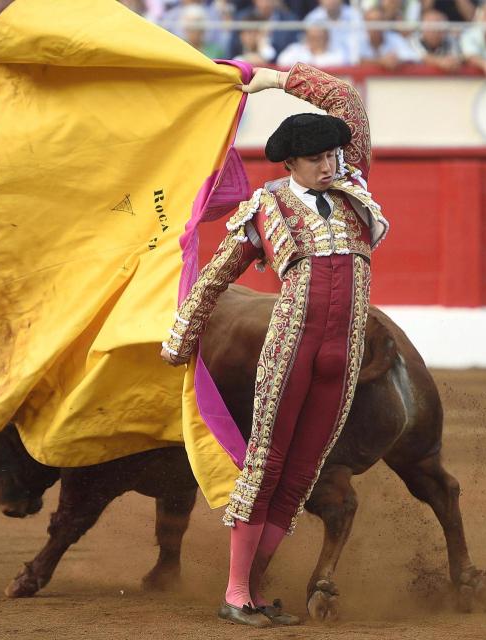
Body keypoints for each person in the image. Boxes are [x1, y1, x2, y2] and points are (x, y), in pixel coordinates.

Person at [161, 63, 388, 627]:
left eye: (332, 155)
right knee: (266, 465)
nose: (328, 165)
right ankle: (236, 592)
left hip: (342, 356)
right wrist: (182, 336)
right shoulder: (267, 208)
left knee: (301, 475)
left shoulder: (353, 186)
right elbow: (216, 275)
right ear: (290, 163)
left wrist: (275, 78)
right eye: (316, 159)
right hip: (291, 349)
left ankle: (253, 592)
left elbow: (346, 100)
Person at [303, 0, 366, 65]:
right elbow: (308, 50)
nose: (331, 1)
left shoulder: (355, 17)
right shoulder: (312, 19)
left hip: (353, 66)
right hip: (322, 66)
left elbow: (363, 48)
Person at [276, 22, 347, 66]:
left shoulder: (336, 55)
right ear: (306, 37)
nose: (315, 41)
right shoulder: (295, 50)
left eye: (319, 38)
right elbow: (281, 62)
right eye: (312, 37)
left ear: (326, 38)